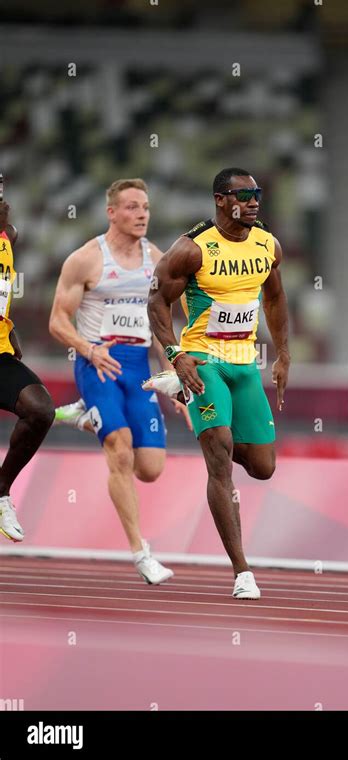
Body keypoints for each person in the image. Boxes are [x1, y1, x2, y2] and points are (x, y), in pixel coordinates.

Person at [144, 167, 290, 599]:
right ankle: (242, 571)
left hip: (244, 364)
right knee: (219, 454)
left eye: (257, 193)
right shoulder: (192, 249)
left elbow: (275, 298)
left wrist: (283, 354)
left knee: (263, 467)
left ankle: (217, 433)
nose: (254, 201)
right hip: (203, 361)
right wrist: (176, 356)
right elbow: (157, 303)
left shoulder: (268, 244)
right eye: (244, 194)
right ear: (220, 200)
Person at [49, 178, 190, 584]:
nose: (141, 213)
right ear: (112, 213)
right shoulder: (86, 260)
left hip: (139, 366)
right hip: (99, 363)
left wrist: (176, 377)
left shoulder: (157, 261)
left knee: (150, 468)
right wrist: (89, 349)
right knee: (121, 452)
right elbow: (57, 320)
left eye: (145, 206)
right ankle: (141, 552)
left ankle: (85, 414)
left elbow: (164, 325)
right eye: (131, 207)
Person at [0, 199, 55, 542]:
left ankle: (1, 492)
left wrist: (11, 326)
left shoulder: (9, 235)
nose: (4, 201)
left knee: (39, 409)